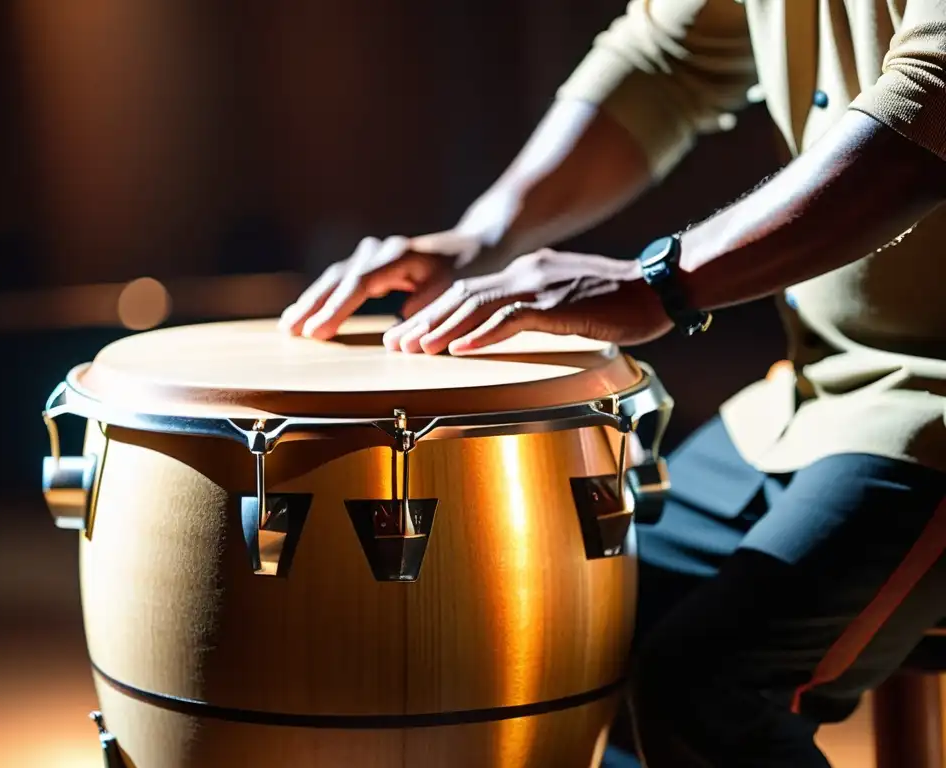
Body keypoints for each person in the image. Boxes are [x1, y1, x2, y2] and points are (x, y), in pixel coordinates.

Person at [280, 1, 946, 765]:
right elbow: (666, 62)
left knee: (705, 689)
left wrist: (658, 282)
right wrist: (484, 237)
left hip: (930, 412)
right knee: (582, 628)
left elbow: (930, 109)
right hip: (818, 393)